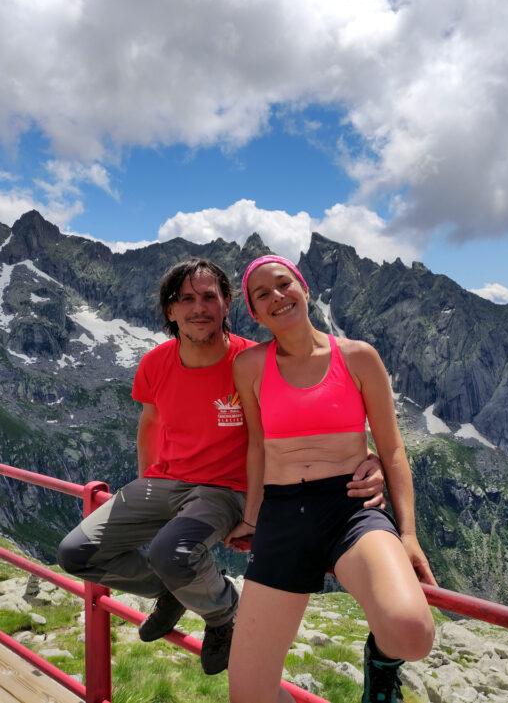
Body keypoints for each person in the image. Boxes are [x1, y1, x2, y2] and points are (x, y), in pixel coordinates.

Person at [57, 257, 387, 675]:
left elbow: (311, 415)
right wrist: (145, 485)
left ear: (227, 304)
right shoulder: (156, 363)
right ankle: (182, 587)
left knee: (169, 551)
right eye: (186, 299)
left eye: (209, 297)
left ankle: (221, 611)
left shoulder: (252, 362)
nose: (199, 308)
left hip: (224, 488)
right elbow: (151, 422)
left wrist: (370, 456)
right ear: (170, 311)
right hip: (164, 481)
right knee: (75, 554)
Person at [226, 255, 437, 703]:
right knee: (249, 696)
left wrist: (410, 535)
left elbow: (393, 447)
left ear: (303, 286)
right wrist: (250, 519)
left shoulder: (358, 357)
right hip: (282, 515)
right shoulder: (250, 366)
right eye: (262, 294)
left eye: (284, 284)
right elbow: (258, 447)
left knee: (412, 633)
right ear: (255, 313)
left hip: (351, 508)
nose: (277, 296)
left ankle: (381, 665)